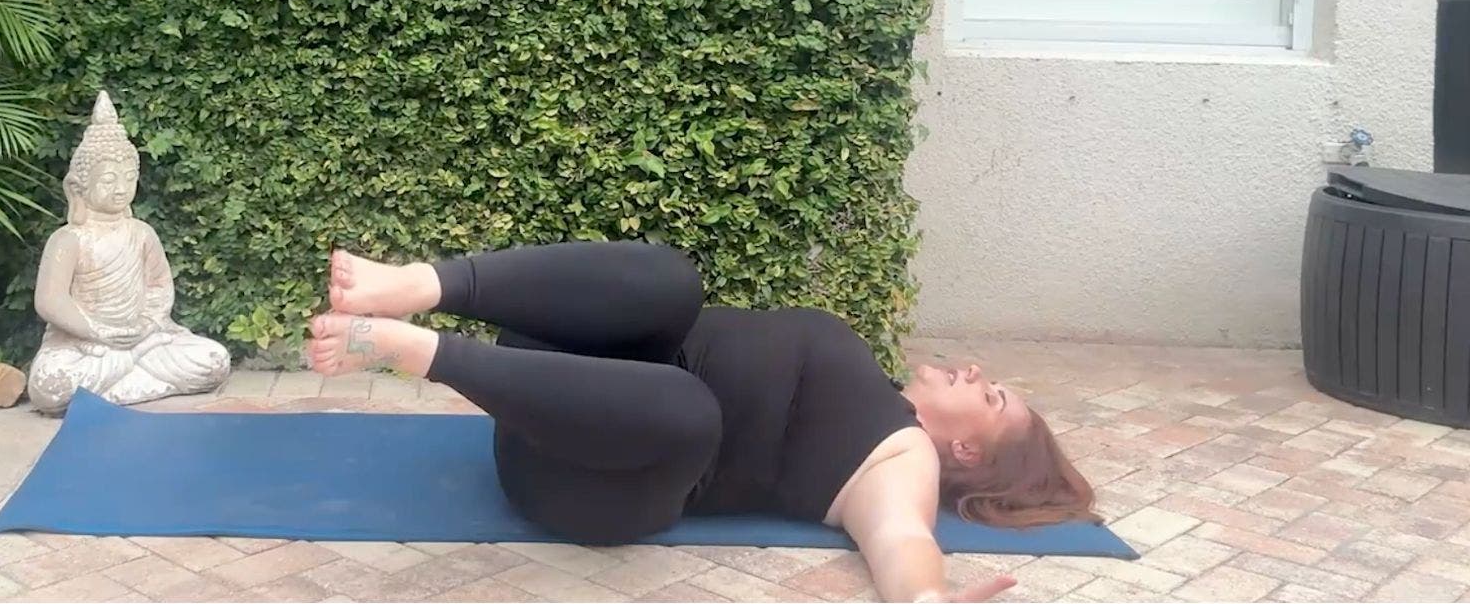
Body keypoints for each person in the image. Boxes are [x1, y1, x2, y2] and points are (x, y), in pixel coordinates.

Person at [305, 240, 1095, 604]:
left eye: (991, 400)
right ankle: (424, 284)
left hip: (592, 474)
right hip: (553, 376)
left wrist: (926, 603)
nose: (978, 375)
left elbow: (903, 542)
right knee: (672, 283)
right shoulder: (875, 382)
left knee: (689, 409)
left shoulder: (902, 461)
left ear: (963, 447)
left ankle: (418, 351)